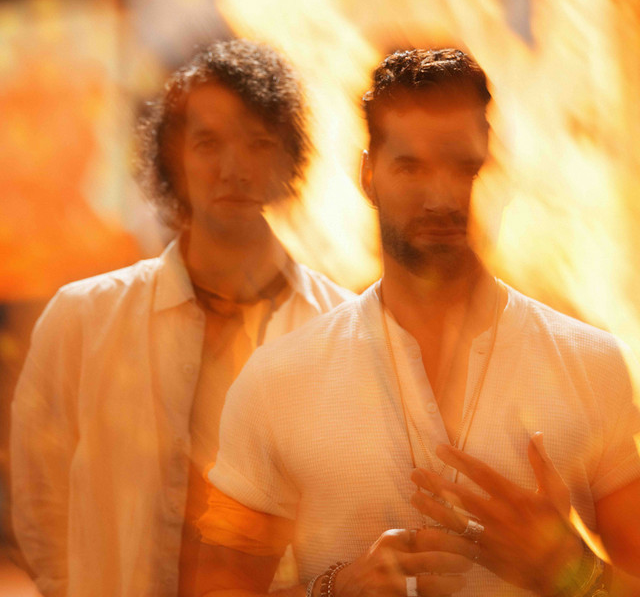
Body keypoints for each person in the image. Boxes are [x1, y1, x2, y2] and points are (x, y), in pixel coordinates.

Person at [193, 49, 640, 596]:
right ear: (368, 175)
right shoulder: (276, 382)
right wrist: (336, 590)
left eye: (463, 168)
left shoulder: (592, 366)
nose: (440, 196)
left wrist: (572, 572)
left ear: (493, 174)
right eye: (411, 167)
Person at [10, 39, 352, 597]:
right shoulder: (82, 319)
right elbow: (36, 501)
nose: (233, 169)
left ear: (287, 157)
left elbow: (349, 517)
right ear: (172, 158)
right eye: (207, 142)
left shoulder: (342, 330)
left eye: (257, 143)